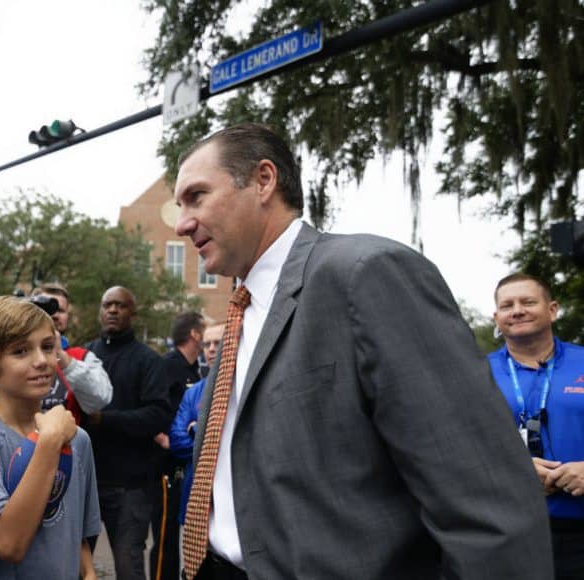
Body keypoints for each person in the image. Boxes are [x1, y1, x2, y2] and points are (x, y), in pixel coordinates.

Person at [173, 123, 550, 579]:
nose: (182, 223)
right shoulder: (236, 316)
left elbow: (489, 509)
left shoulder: (365, 275)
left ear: (263, 181)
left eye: (196, 196)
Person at [0, 296, 100, 579]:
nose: (41, 361)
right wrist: (49, 441)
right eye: (20, 351)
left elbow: (75, 535)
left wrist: (90, 574)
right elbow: (8, 544)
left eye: (47, 347)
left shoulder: (77, 439)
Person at [488, 273, 584, 579]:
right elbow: (453, 451)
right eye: (507, 305)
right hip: (507, 532)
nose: (517, 310)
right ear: (497, 317)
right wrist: (515, 470)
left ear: (553, 309)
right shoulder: (473, 373)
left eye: (528, 302)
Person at [83, 286, 173, 580]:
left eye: (120, 306)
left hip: (130, 486)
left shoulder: (148, 361)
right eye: (107, 304)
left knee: (127, 566)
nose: (112, 310)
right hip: (86, 483)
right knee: (73, 565)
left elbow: (158, 416)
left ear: (132, 313)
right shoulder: (84, 357)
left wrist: (104, 420)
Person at [151, 312, 205, 580]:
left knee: (178, 534)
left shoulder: (194, 371)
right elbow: (152, 403)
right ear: (195, 334)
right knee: (165, 537)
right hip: (165, 466)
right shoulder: (168, 365)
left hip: (186, 463)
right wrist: (161, 436)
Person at [32, 282, 113, 419]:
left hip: (67, 438)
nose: (54, 315)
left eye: (60, 310)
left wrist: (63, 358)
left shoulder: (82, 357)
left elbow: (100, 400)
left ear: (68, 316)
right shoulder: (12, 355)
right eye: (46, 309)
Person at [169, 323, 224, 525]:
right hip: (196, 497)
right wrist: (208, 440)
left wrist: (195, 430)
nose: (210, 349)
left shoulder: (242, 389)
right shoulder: (193, 393)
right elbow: (176, 441)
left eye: (218, 343)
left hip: (231, 498)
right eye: (207, 344)